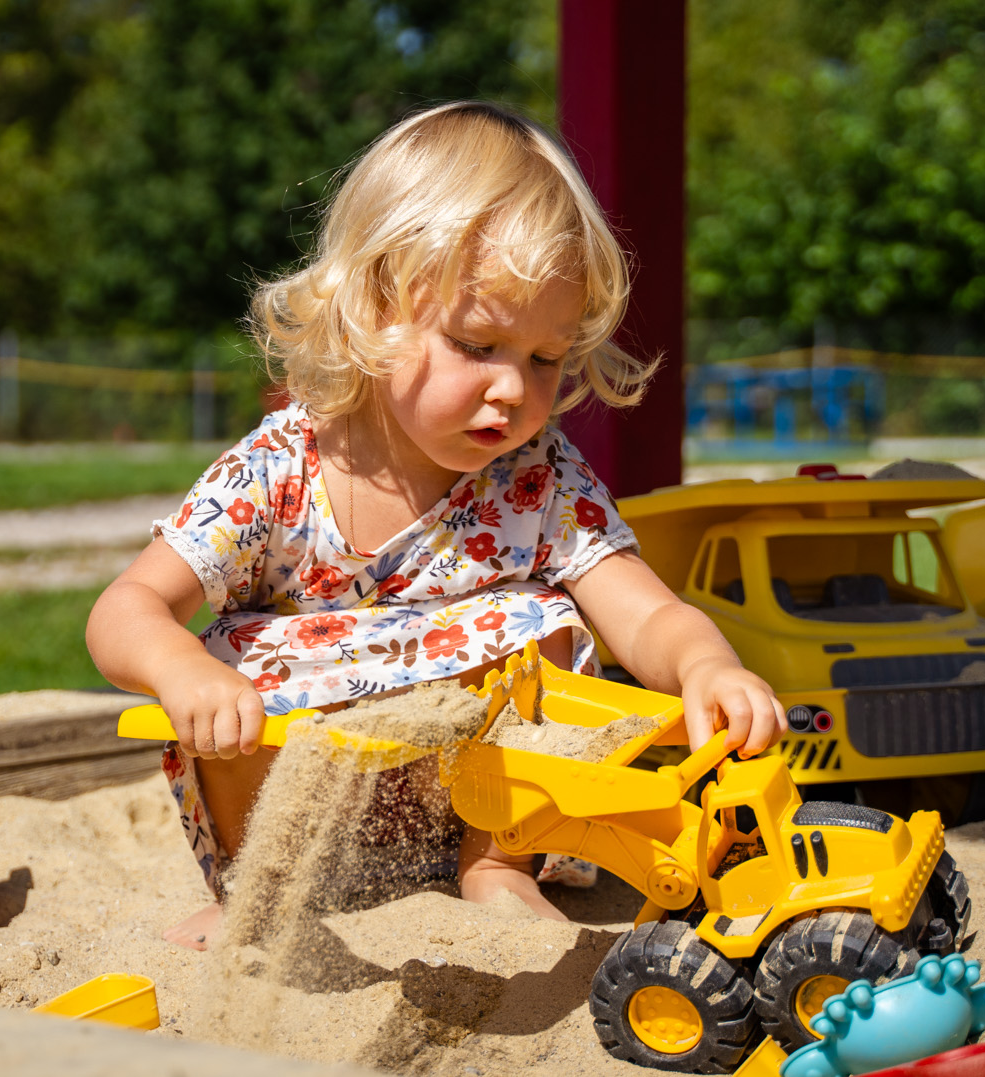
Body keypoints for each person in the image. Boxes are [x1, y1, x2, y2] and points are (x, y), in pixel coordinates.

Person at [86, 101, 783, 951]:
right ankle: (260, 893)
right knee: (233, 657)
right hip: (305, 799)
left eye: (544, 357)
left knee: (546, 621)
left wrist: (708, 663)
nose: (514, 390)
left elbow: (644, 613)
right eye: (479, 344)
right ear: (376, 308)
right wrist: (180, 670)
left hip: (467, 805)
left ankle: (498, 865)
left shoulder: (538, 478)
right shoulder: (279, 469)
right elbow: (124, 610)